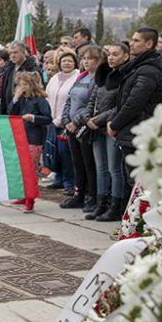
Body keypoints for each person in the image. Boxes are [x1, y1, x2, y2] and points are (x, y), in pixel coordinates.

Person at [108, 28, 162, 189]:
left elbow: (134, 103)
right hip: (132, 130)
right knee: (134, 181)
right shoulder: (139, 67)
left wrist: (115, 125)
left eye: (136, 41)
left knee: (139, 183)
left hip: (138, 131)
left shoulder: (148, 71)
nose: (131, 44)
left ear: (149, 44)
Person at [84, 41, 129, 222]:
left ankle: (115, 206)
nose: (111, 57)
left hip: (111, 126)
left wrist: (98, 120)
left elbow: (120, 105)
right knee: (100, 168)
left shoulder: (125, 76)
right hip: (96, 127)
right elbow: (92, 99)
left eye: (115, 54)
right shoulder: (103, 75)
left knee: (114, 169)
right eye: (109, 54)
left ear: (125, 56)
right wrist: (88, 118)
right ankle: (101, 204)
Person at [61, 45, 103, 212]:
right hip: (71, 126)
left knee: (88, 164)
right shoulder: (81, 78)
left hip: (84, 127)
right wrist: (66, 120)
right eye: (84, 58)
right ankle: (79, 194)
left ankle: (91, 196)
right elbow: (69, 100)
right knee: (77, 163)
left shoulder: (97, 80)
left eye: (90, 58)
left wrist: (76, 122)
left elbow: (91, 106)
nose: (86, 61)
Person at [8, 72, 52, 213]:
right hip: (21, 137)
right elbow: (11, 112)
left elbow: (47, 118)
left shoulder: (39, 100)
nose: (22, 87)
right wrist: (15, 98)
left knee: (30, 170)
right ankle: (23, 195)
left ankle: (30, 200)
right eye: (20, 84)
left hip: (34, 138)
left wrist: (33, 118)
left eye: (25, 84)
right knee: (21, 169)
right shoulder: (21, 100)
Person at [46, 48, 80, 192]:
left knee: (65, 153)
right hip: (52, 121)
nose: (66, 63)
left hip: (66, 121)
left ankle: (69, 182)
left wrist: (61, 119)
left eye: (70, 61)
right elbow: (47, 96)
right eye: (64, 61)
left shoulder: (77, 77)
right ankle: (58, 178)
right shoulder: (55, 77)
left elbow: (71, 100)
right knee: (54, 153)